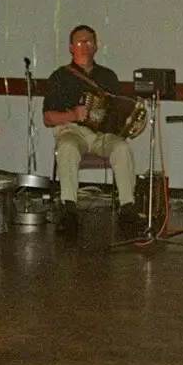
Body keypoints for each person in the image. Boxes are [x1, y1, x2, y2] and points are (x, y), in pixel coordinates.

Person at [43, 25, 138, 235]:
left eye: (89, 42)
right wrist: (73, 115)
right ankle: (69, 210)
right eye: (79, 42)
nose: (85, 46)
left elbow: (117, 112)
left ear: (96, 46)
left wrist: (125, 123)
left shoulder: (108, 77)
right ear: (70, 47)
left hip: (101, 135)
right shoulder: (60, 77)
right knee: (67, 146)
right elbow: (48, 118)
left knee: (121, 147)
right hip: (72, 131)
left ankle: (128, 208)